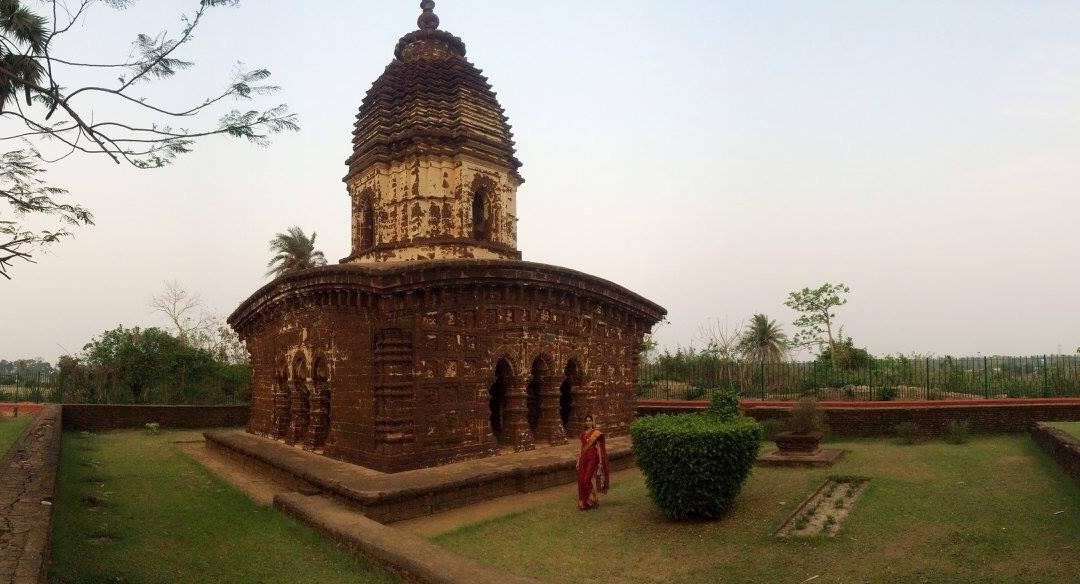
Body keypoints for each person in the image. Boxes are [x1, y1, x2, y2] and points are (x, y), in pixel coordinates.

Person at [575, 414, 610, 510]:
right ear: (585, 422)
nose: (588, 422)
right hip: (583, 458)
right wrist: (578, 460)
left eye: (589, 420)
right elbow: (581, 448)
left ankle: (593, 500)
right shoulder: (583, 434)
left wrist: (600, 461)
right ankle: (585, 503)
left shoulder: (596, 433)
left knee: (586, 479)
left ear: (592, 422)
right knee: (581, 480)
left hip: (593, 457)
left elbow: (599, 447)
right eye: (586, 421)